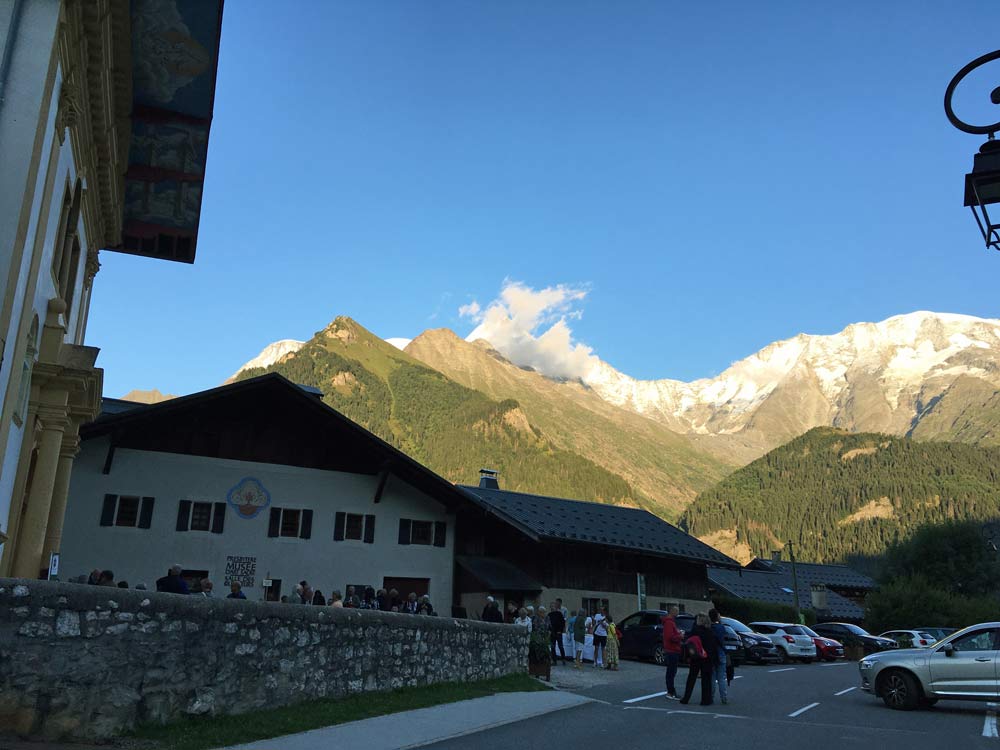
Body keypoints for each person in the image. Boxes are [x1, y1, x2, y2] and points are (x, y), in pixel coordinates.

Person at [680, 613, 718, 706]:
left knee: (691, 677)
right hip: (707, 657)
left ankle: (686, 698)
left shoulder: (695, 630)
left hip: (696, 657)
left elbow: (689, 642)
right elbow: (713, 646)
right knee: (706, 679)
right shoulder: (710, 632)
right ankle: (706, 700)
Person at [661, 605, 684, 700]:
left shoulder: (670, 622)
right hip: (671, 650)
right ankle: (670, 692)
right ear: (671, 611)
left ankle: (671, 691)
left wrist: (678, 633)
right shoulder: (669, 623)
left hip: (673, 649)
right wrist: (680, 636)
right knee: (671, 671)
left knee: (672, 671)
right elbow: (670, 637)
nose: (678, 612)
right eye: (676, 611)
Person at [709, 608, 729, 704]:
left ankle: (711, 696)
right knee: (721, 677)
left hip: (711, 654)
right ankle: (724, 697)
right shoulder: (721, 627)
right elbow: (724, 638)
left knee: (712, 677)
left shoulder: (708, 627)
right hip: (721, 653)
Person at [547, 601, 567, 665]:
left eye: (553, 606)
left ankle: (563, 659)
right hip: (552, 633)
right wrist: (549, 631)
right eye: (551, 606)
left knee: (560, 646)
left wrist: (560, 630)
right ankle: (554, 660)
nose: (552, 607)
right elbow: (548, 624)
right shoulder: (549, 615)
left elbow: (563, 623)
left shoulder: (559, 614)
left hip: (558, 633)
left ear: (555, 607)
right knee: (553, 647)